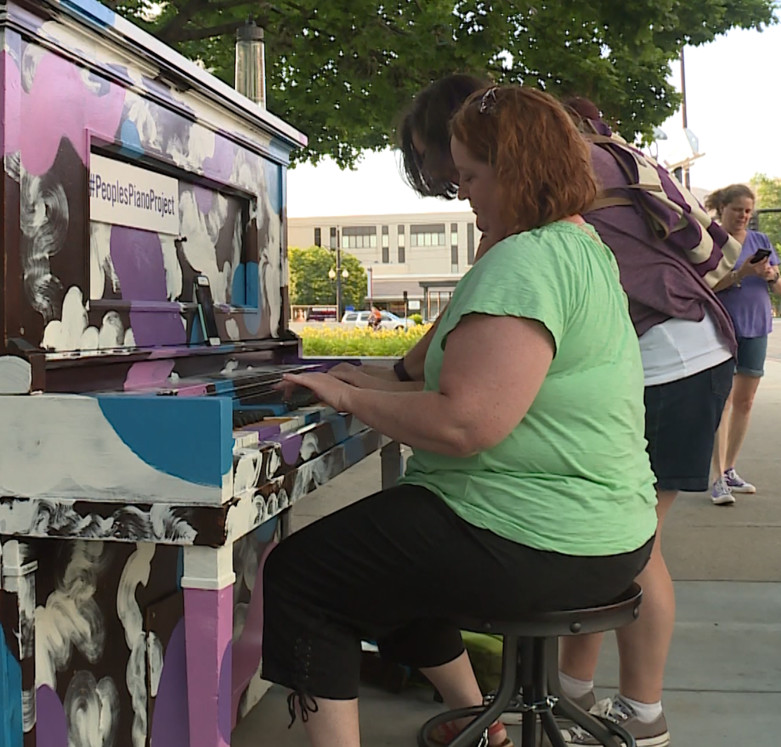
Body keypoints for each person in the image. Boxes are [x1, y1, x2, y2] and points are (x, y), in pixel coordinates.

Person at [261, 85, 658, 747]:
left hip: (534, 535)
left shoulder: (522, 263)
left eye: (471, 177)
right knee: (382, 558)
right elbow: (462, 380)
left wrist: (350, 397)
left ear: (518, 169)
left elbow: (467, 425)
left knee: (305, 578)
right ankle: (482, 728)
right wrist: (349, 376)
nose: (464, 194)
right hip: (606, 534)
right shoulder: (580, 246)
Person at [382, 75, 773, 746]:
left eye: (437, 155)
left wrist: (401, 372)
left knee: (622, 536)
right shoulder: (567, 149)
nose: (442, 175)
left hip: (667, 354)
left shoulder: (531, 177)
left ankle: (640, 712)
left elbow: (480, 298)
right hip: (683, 345)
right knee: (615, 533)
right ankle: (571, 695)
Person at [707, 184, 781, 505]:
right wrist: (741, 273)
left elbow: (780, 288)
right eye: (738, 209)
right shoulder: (711, 240)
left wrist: (768, 275)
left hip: (757, 326)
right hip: (721, 327)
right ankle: (716, 478)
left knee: (745, 402)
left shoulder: (760, 241)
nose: (743, 216)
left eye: (748, 211)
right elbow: (706, 284)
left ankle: (730, 470)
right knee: (721, 401)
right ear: (722, 208)